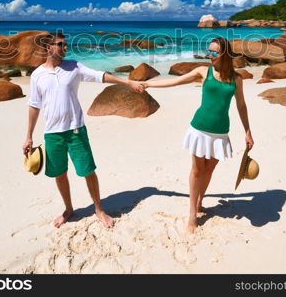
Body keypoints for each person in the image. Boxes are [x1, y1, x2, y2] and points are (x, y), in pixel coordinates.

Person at [22, 32, 145, 229]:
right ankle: (68, 209)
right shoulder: (37, 75)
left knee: (88, 171)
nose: (65, 48)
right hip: (52, 133)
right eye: (60, 45)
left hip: (75, 130)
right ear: (48, 48)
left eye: (65, 45)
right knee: (59, 174)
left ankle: (99, 209)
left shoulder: (74, 66)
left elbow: (100, 76)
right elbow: (34, 106)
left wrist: (128, 82)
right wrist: (28, 136)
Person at [141, 36, 254, 233]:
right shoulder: (204, 71)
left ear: (224, 54)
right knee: (196, 171)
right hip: (200, 129)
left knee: (208, 170)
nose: (209, 56)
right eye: (208, 51)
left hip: (220, 132)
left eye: (214, 52)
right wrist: (149, 84)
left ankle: (200, 200)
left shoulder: (237, 79)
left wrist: (247, 131)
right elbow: (176, 81)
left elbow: (241, 105)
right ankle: (192, 213)